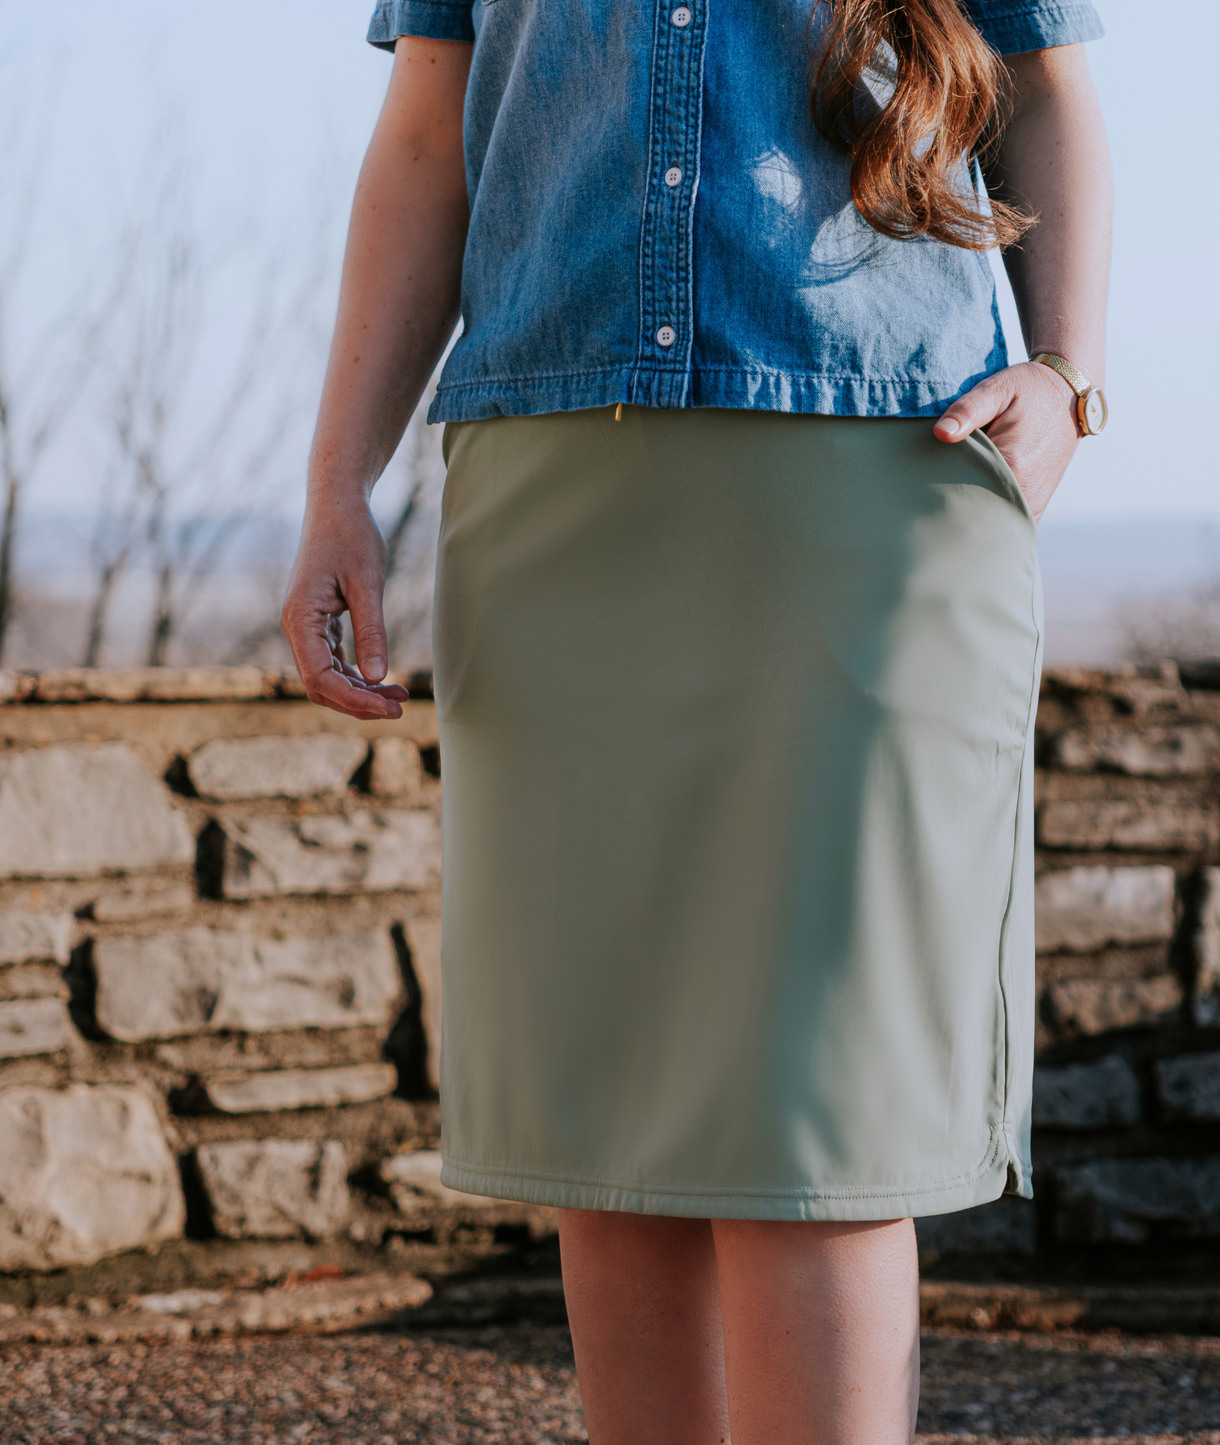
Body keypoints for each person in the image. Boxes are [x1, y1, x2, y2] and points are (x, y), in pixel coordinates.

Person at [282, 1, 1110, 1438]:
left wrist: (1069, 373)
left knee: (823, 1129)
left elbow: (1051, 94)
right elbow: (424, 140)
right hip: (556, 487)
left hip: (879, 472)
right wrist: (336, 486)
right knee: (613, 1136)